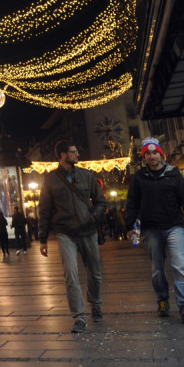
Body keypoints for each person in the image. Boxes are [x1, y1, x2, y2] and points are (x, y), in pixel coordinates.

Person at [125, 138, 184, 325]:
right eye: (148, 154)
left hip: (174, 227)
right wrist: (130, 226)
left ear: (161, 154)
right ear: (144, 157)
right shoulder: (140, 178)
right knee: (157, 270)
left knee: (180, 266)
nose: (152, 156)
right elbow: (132, 203)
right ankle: (162, 300)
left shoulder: (173, 174)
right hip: (151, 229)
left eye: (155, 153)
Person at [38, 140, 107, 333]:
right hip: (65, 232)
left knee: (94, 272)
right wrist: (42, 238)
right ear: (62, 154)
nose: (77, 154)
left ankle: (95, 303)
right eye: (73, 151)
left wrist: (93, 219)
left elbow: (101, 201)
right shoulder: (50, 179)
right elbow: (44, 209)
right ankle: (79, 316)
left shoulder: (87, 175)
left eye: (77, 151)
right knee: (70, 274)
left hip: (88, 230)